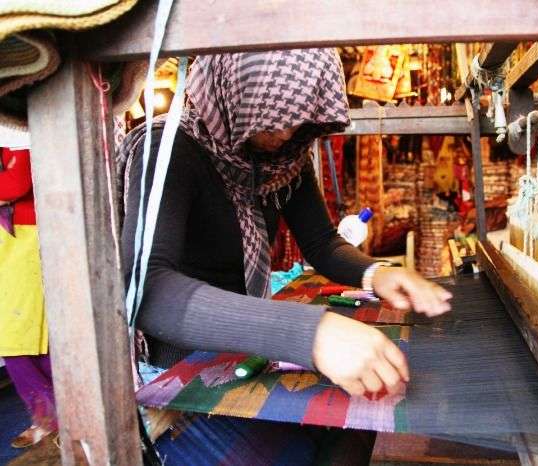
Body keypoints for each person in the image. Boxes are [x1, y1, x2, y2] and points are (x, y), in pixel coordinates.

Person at [119, 49, 452, 465]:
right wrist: (310, 333)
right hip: (179, 368)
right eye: (273, 119)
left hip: (246, 346)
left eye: (298, 119)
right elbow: (147, 288)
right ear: (234, 93)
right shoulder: (168, 150)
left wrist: (377, 274)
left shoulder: (282, 160)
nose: (285, 132)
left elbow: (322, 243)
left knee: (351, 428)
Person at [0, 146, 57, 448]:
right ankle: (55, 413)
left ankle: (48, 416)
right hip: (10, 241)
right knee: (27, 336)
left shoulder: (18, 130)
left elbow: (16, 183)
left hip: (25, 237)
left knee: (16, 337)